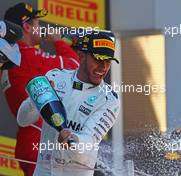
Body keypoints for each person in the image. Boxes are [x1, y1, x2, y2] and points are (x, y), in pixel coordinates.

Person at [17, 30, 120, 176]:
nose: (103, 67)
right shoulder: (55, 77)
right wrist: (35, 100)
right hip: (43, 171)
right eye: (98, 59)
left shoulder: (109, 100)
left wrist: (73, 139)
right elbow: (23, 120)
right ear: (81, 56)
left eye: (108, 61)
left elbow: (89, 140)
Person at [1, 3, 80, 175]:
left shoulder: (13, 56)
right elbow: (75, 66)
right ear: (27, 27)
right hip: (39, 140)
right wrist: (59, 42)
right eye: (37, 23)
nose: (42, 28)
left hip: (33, 138)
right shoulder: (25, 55)